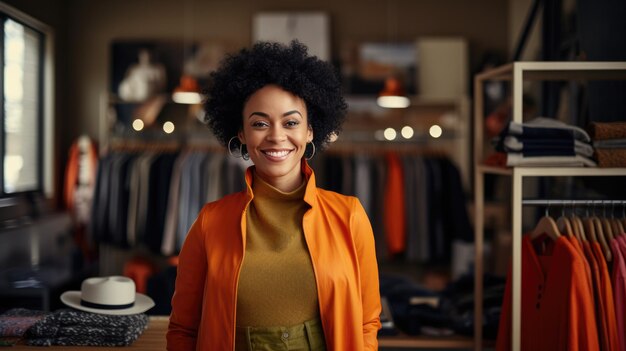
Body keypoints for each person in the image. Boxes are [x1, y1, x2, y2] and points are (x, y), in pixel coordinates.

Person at [167, 41, 381, 350]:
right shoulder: (210, 222)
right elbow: (184, 329)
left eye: (291, 122)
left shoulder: (349, 216)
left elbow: (367, 322)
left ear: (311, 130)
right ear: (241, 133)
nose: (276, 136)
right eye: (259, 123)